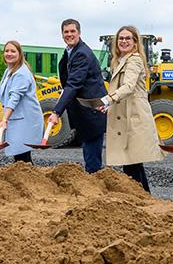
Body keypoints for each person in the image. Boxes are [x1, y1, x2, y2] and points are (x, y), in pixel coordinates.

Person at [97, 26, 164, 192]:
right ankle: (143, 197)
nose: (124, 41)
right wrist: (109, 104)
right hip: (125, 113)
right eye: (121, 38)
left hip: (133, 115)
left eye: (128, 38)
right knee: (132, 162)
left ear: (135, 42)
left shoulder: (134, 60)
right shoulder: (120, 61)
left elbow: (128, 86)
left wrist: (107, 100)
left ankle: (141, 198)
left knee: (131, 161)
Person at [51, 19, 108, 173]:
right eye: (66, 32)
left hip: (92, 111)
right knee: (89, 153)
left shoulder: (82, 54)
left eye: (72, 31)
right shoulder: (70, 52)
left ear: (79, 33)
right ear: (62, 34)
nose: (69, 34)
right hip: (83, 112)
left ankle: (95, 187)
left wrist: (56, 111)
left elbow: (73, 84)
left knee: (92, 159)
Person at [0, 41, 44, 164]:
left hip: (25, 120)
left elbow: (14, 98)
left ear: (19, 54)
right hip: (17, 119)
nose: (9, 54)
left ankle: (31, 181)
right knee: (19, 156)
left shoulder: (21, 73)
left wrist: (4, 119)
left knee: (22, 156)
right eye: (6, 51)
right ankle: (26, 180)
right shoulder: (9, 70)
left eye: (13, 51)